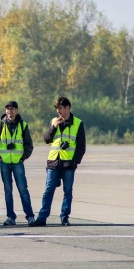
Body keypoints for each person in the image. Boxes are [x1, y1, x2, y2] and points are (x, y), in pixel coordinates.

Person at [30, 96, 86, 227]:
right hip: (53, 162)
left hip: (68, 163)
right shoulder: (54, 121)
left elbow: (81, 146)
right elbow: (46, 139)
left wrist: (75, 161)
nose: (58, 112)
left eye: (60, 108)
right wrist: (53, 127)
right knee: (48, 190)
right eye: (57, 109)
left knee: (67, 191)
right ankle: (42, 218)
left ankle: (64, 217)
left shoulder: (78, 123)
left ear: (68, 108)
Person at [0, 101, 35, 226]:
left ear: (17, 110)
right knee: (8, 191)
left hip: (17, 162)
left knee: (23, 190)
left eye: (12, 109)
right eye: (8, 109)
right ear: (5, 111)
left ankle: (30, 216)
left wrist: (22, 158)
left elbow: (29, 145)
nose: (10, 111)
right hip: (4, 163)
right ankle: (10, 217)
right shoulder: (0, 125)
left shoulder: (22, 125)